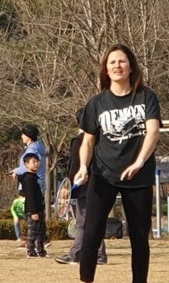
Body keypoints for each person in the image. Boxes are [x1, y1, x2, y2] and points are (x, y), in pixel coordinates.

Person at [74, 43, 161, 283]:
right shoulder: (96, 103)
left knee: (139, 237)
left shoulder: (146, 97)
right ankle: (86, 279)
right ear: (105, 69)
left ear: (131, 66)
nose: (117, 66)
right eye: (112, 62)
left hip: (138, 178)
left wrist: (140, 162)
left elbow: (152, 132)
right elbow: (88, 142)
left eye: (122, 61)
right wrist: (83, 167)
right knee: (91, 233)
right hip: (104, 176)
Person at [55, 108, 107, 266]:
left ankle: (76, 254)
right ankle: (99, 255)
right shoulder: (102, 140)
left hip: (84, 187)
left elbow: (75, 165)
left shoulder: (79, 140)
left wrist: (68, 185)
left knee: (83, 222)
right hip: (101, 185)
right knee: (92, 221)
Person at [19, 153, 47, 258]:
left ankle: (41, 251)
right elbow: (30, 196)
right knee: (33, 232)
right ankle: (30, 251)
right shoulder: (29, 179)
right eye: (33, 162)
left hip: (39, 208)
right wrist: (34, 211)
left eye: (37, 162)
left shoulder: (34, 178)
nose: (36, 164)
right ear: (26, 164)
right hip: (33, 210)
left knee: (41, 231)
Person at [10, 124, 47, 193]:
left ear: (29, 136)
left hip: (32, 185)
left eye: (23, 134)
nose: (22, 136)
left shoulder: (32, 150)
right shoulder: (35, 148)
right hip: (36, 184)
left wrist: (15, 171)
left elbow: (28, 167)